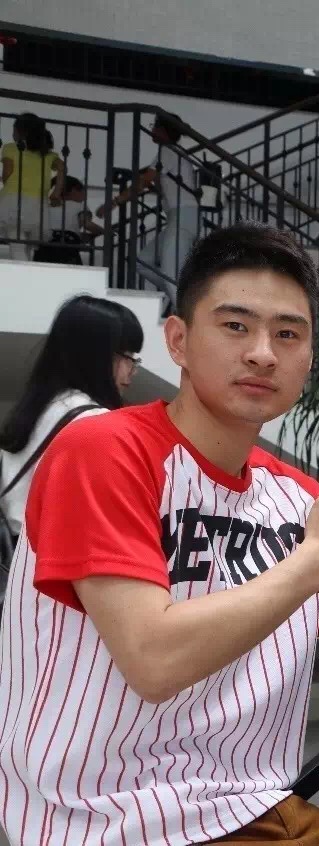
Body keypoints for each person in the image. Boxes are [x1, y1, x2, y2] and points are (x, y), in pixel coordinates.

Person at [0, 222, 319, 845]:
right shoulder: (105, 449)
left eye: (287, 334)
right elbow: (153, 661)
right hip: (104, 819)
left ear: (308, 359)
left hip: (253, 808)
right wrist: (313, 564)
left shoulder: (296, 498)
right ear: (178, 340)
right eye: (235, 325)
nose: (262, 353)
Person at [0, 296, 143, 602]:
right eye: (128, 356)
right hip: (55, 580)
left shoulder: (41, 407)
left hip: (20, 568)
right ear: (97, 355)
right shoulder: (93, 422)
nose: (133, 369)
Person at [100, 113, 202, 311]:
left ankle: (187, 315)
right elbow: (156, 184)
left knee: (171, 273)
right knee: (142, 261)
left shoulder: (169, 151)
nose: (152, 131)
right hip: (178, 218)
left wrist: (115, 202)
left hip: (184, 216)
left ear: (163, 130)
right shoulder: (170, 154)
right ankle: (183, 298)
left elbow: (142, 182)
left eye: (155, 127)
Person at [0, 112, 65, 260]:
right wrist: (56, 192)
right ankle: (28, 267)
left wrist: (5, 179)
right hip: (38, 202)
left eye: (14, 130)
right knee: (29, 244)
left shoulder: (10, 148)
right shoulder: (47, 154)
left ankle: (21, 270)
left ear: (21, 132)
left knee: (16, 237)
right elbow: (62, 168)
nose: (13, 134)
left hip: (13, 199)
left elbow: (7, 173)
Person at [35, 176, 103, 265]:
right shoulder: (80, 206)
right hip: (66, 246)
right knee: (72, 271)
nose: (85, 196)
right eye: (83, 191)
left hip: (44, 245)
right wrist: (104, 232)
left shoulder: (46, 206)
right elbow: (86, 223)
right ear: (73, 190)